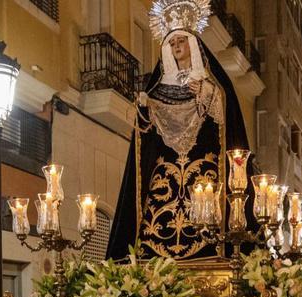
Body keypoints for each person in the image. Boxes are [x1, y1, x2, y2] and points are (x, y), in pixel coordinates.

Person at [106, 0, 250, 261]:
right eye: (171, 44)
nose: (176, 47)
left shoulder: (209, 82)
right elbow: (147, 129)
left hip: (202, 169)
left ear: (192, 44)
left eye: (181, 41)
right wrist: (145, 105)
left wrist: (207, 94)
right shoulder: (159, 84)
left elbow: (225, 114)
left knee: (205, 204)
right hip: (165, 172)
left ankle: (210, 250)